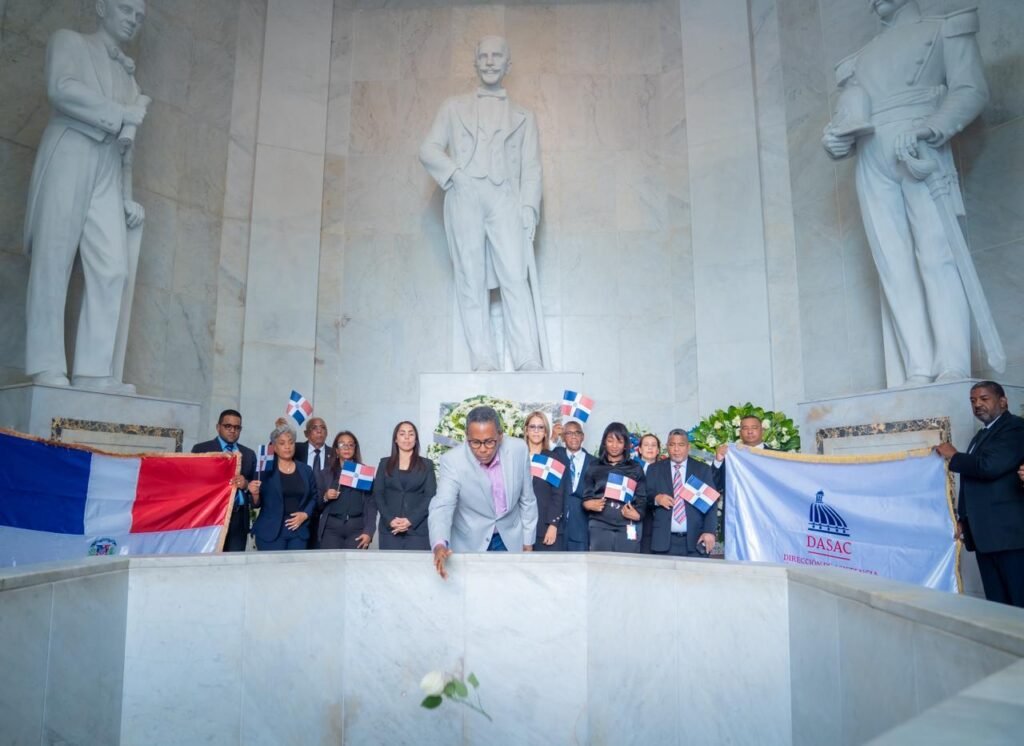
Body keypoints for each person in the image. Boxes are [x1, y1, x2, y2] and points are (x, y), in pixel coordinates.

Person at [821, 0, 993, 386]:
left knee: (937, 255)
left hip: (920, 145)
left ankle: (952, 364)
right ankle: (918, 366)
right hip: (871, 157)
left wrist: (932, 127)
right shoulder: (857, 62)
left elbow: (971, 90)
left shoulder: (944, 27)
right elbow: (848, 120)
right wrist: (836, 141)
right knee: (893, 264)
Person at [24, 0, 150, 392]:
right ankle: (46, 365)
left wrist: (127, 196)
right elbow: (60, 88)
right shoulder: (69, 41)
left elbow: (126, 148)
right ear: (101, 7)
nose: (133, 20)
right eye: (126, 10)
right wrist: (121, 113)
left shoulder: (130, 79)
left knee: (113, 268)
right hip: (70, 148)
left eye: (139, 17)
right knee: (53, 258)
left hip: (109, 166)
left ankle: (94, 372)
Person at [419, 35, 545, 372]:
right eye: (484, 56)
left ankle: (527, 357)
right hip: (466, 195)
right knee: (470, 277)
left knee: (515, 276)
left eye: (497, 56)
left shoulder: (524, 116)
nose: (490, 62)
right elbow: (428, 149)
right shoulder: (453, 107)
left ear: (508, 64)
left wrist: (529, 207)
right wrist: (455, 175)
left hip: (506, 198)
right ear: (476, 62)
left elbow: (532, 167)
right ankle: (483, 358)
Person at [935, 381, 1024, 606]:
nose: (977, 404)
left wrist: (954, 456)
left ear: (1003, 401)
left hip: (1010, 537)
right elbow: (971, 482)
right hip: (985, 536)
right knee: (996, 606)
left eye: (984, 399)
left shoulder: (1015, 427)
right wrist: (964, 519)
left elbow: (989, 467)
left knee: (1018, 603)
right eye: (973, 400)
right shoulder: (981, 435)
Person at [429, 406, 537, 579]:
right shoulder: (452, 461)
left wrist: (528, 542)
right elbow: (442, 505)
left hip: (509, 539)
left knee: (510, 589)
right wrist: (439, 543)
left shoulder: (518, 450)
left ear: (500, 436)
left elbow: (527, 499)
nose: (482, 449)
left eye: (489, 442)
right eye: (475, 442)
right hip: (470, 541)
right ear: (467, 437)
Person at [648, 429, 722, 558]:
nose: (676, 449)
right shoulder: (654, 469)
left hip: (696, 540)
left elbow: (711, 504)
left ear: (688, 447)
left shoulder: (702, 469)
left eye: (681, 445)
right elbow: (644, 496)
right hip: (663, 541)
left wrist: (709, 531)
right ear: (667, 447)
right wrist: (656, 499)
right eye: (672, 445)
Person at [192, 409, 255, 552]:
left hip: (238, 518)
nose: (232, 430)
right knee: (209, 560)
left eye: (237, 427)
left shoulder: (249, 454)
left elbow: (254, 485)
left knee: (234, 562)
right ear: (218, 427)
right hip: (211, 517)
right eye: (228, 426)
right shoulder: (201, 449)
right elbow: (193, 483)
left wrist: (245, 484)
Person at [249, 423, 317, 551]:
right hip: (270, 530)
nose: (287, 446)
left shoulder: (306, 470)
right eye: (282, 443)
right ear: (274, 447)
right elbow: (256, 504)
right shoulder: (264, 469)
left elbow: (314, 496)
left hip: (298, 530)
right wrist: (254, 494)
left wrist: (305, 514)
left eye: (291, 442)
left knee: (297, 564)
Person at [581, 422, 647, 553]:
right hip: (599, 524)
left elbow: (642, 498)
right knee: (600, 563)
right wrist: (588, 504)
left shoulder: (635, 467)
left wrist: (638, 514)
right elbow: (586, 497)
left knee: (627, 563)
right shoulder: (594, 466)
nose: (614, 445)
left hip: (627, 525)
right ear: (604, 442)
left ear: (625, 444)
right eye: (610, 441)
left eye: (619, 441)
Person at [373, 421, 436, 551]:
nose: (407, 437)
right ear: (396, 439)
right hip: (390, 529)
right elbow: (378, 494)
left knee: (417, 564)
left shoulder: (427, 465)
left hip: (418, 530)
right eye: (402, 434)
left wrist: (411, 520)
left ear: (416, 439)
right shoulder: (384, 463)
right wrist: (390, 520)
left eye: (411, 434)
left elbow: (430, 496)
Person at [317, 431, 376, 550]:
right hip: (331, 529)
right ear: (336, 450)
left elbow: (371, 506)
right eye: (342, 444)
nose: (346, 447)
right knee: (330, 561)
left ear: (355, 449)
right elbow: (317, 504)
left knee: (355, 562)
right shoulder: (326, 473)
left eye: (350, 444)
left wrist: (369, 531)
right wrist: (325, 496)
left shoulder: (364, 473)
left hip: (357, 528)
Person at [523, 411, 566, 551]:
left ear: (546, 432)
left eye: (540, 427)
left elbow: (558, 495)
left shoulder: (553, 458)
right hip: (519, 528)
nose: (536, 431)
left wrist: (553, 525)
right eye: (532, 427)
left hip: (545, 528)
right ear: (526, 430)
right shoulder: (517, 458)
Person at [551, 420, 594, 551]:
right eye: (569, 433)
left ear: (583, 436)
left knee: (579, 562)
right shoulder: (556, 455)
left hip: (581, 526)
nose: (574, 436)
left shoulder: (594, 462)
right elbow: (541, 454)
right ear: (563, 438)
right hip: (556, 527)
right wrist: (553, 438)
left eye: (577, 432)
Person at [294, 416, 331, 549]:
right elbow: (275, 449)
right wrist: (282, 429)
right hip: (300, 510)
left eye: (323, 428)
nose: (319, 431)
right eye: (314, 428)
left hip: (324, 511)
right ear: (306, 433)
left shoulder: (334, 454)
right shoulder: (296, 449)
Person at [637, 433, 661, 554]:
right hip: (635, 517)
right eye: (646, 445)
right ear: (640, 449)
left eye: (653, 445)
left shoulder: (665, 470)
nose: (650, 448)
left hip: (657, 519)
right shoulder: (631, 468)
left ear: (658, 451)